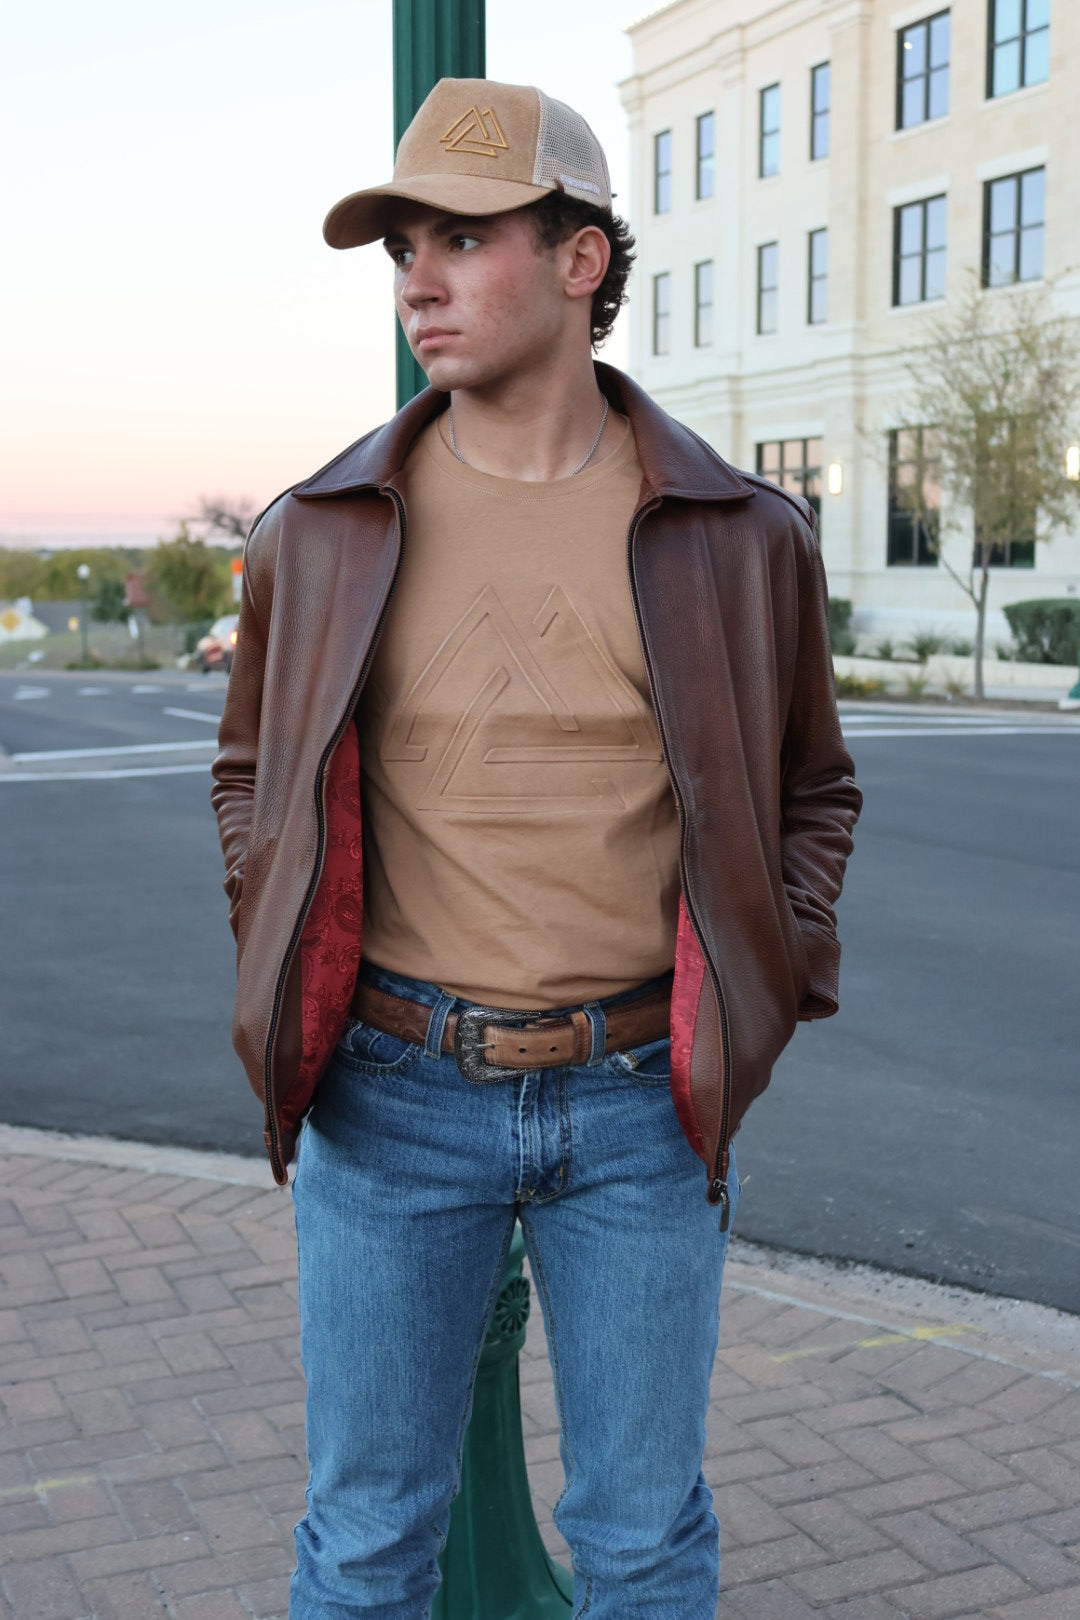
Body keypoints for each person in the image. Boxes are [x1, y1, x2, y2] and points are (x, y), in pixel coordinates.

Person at [211, 76, 861, 1620]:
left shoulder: (736, 532)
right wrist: (273, 911)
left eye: (461, 237)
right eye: (400, 249)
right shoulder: (319, 528)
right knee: (367, 1545)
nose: (417, 281)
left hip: (647, 1108)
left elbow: (811, 790)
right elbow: (251, 773)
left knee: (643, 1545)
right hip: (389, 1098)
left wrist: (772, 984)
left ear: (581, 261)